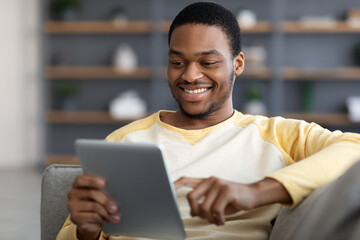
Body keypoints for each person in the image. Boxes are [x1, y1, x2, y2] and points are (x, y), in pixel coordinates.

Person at [57, 2, 360, 240]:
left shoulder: (277, 135)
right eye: (177, 62)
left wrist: (256, 191)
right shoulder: (123, 142)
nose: (189, 75)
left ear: (237, 65)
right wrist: (85, 230)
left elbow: (354, 148)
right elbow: (75, 233)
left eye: (208, 62)